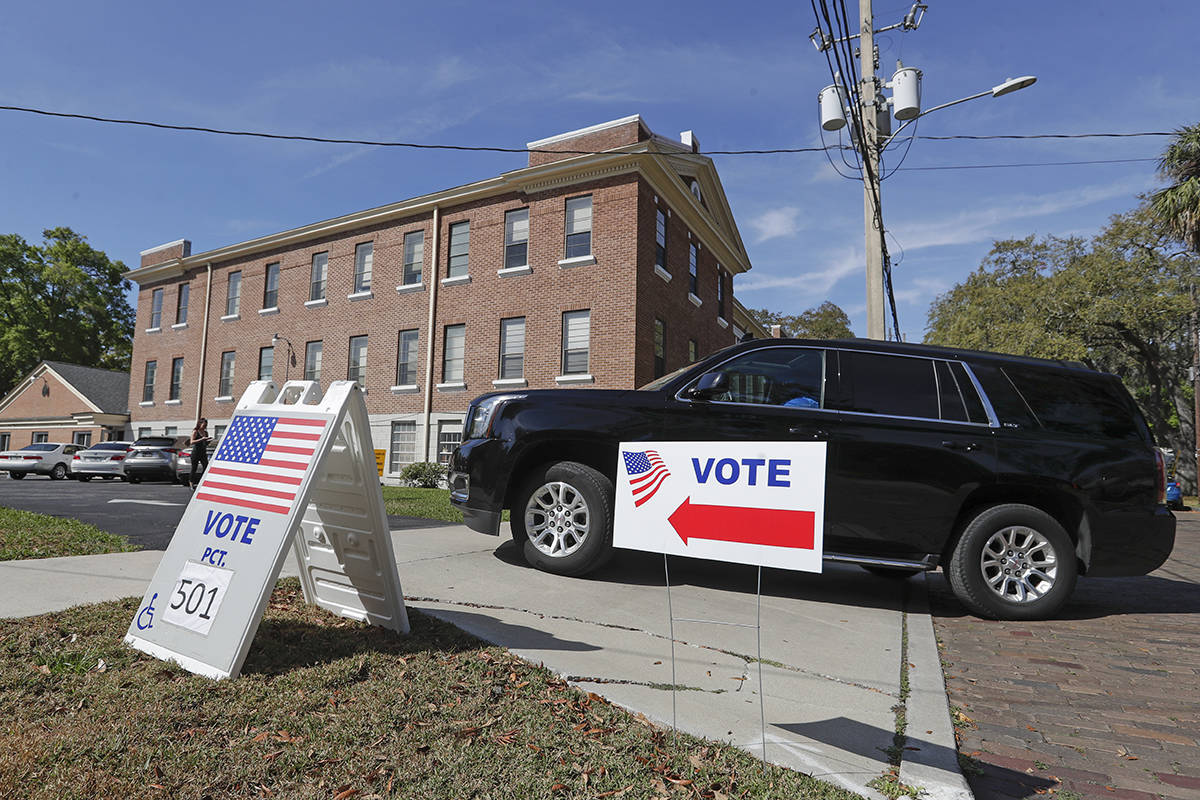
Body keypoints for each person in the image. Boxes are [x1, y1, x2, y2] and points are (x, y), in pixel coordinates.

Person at [188, 418, 213, 488]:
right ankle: (191, 482)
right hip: (196, 452)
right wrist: (202, 439)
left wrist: (208, 441)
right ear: (200, 424)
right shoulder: (195, 431)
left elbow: (205, 443)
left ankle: (201, 482)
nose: (205, 426)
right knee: (194, 468)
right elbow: (191, 442)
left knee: (206, 467)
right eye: (204, 425)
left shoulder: (206, 432)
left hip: (203, 452)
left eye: (206, 425)